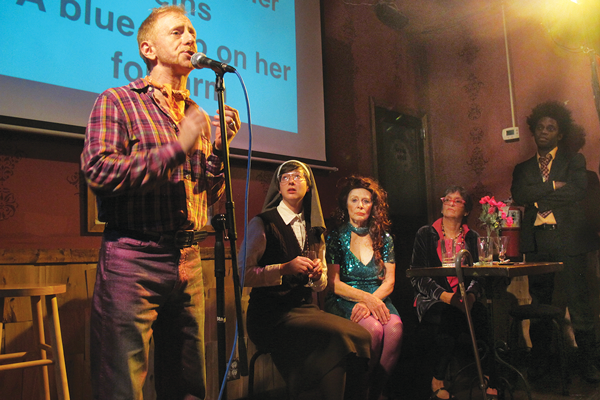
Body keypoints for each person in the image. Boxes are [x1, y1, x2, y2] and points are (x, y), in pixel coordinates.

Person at [80, 5, 240, 399]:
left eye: (193, 33)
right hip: (133, 257)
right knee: (121, 384)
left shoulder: (195, 115)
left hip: (189, 259)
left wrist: (218, 150)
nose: (190, 39)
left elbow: (205, 194)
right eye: (178, 32)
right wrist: (177, 147)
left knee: (187, 385)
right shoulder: (117, 101)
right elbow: (99, 172)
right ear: (148, 48)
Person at [240, 160, 372, 400]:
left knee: (362, 336)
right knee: (338, 339)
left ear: (308, 187)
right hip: (270, 315)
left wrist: (317, 275)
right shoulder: (262, 223)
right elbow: (243, 274)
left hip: (303, 309)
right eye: (285, 177)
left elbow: (320, 285)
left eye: (298, 177)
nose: (291, 181)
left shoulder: (314, 229)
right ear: (278, 188)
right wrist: (282, 268)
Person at [511, 100, 600, 383]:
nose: (545, 131)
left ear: (560, 134)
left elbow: (577, 191)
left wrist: (536, 197)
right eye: (540, 127)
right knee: (541, 304)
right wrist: (550, 186)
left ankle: (590, 365)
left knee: (579, 304)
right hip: (539, 243)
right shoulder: (522, 168)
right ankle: (540, 364)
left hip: (570, 241)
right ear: (533, 131)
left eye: (551, 128)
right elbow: (519, 196)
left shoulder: (574, 161)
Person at [410, 186, 493, 400]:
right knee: (451, 314)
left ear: (466, 211)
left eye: (458, 201)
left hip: (465, 297)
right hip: (433, 299)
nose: (450, 202)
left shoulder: (472, 237)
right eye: (447, 199)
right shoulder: (426, 234)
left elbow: (479, 275)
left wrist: (471, 296)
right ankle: (437, 378)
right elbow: (417, 276)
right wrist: (448, 297)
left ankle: (488, 375)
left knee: (483, 314)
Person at [324, 176, 403, 400]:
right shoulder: (336, 237)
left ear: (373, 206)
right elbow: (334, 283)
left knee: (395, 330)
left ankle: (375, 392)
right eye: (355, 200)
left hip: (378, 297)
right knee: (374, 331)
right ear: (345, 204)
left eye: (366, 201)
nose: (360, 205)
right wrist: (365, 300)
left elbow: (389, 281)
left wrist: (373, 301)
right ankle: (359, 391)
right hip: (345, 299)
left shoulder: (384, 238)